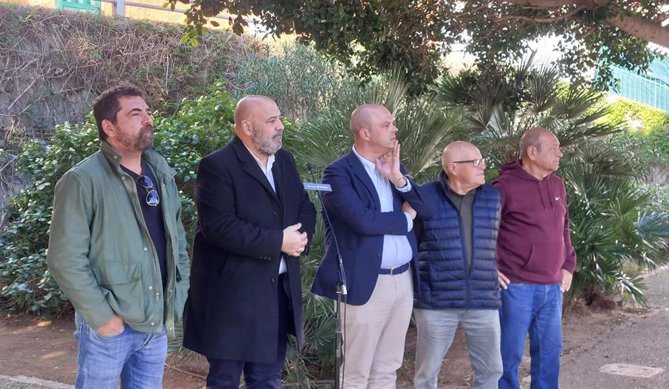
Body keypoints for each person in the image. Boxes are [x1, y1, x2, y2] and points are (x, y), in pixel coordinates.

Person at [46, 84, 191, 389]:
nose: (148, 119)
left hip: (155, 322)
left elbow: (176, 238)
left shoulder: (159, 171)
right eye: (136, 113)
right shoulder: (82, 180)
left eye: (148, 112)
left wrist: (178, 292)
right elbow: (64, 258)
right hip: (110, 328)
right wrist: (102, 318)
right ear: (108, 126)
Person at [182, 95, 316, 389]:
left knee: (267, 380)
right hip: (232, 297)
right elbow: (219, 227)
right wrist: (279, 241)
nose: (280, 126)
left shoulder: (284, 162)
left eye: (279, 119)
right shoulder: (217, 166)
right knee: (225, 381)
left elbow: (304, 207)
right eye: (271, 121)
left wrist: (300, 238)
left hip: (276, 294)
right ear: (246, 126)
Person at [311, 104, 434, 389]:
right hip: (364, 282)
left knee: (388, 367)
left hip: (402, 280)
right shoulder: (338, 173)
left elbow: (427, 209)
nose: (395, 129)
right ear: (365, 133)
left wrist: (398, 179)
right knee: (355, 371)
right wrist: (405, 220)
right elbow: (363, 221)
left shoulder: (394, 167)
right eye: (387, 124)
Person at [414, 141, 508, 389]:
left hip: (483, 299)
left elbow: (491, 240)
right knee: (427, 373)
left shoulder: (492, 196)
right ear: (453, 167)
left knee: (491, 370)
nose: (483, 166)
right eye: (476, 162)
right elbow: (408, 244)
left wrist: (490, 266)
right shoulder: (425, 196)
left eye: (482, 160)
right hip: (436, 301)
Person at [493, 128, 577, 389]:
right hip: (515, 287)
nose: (559, 153)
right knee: (508, 356)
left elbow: (564, 227)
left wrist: (568, 264)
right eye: (553, 148)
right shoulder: (503, 187)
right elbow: (483, 230)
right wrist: (490, 266)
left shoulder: (557, 185)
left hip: (552, 287)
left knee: (550, 354)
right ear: (532, 152)